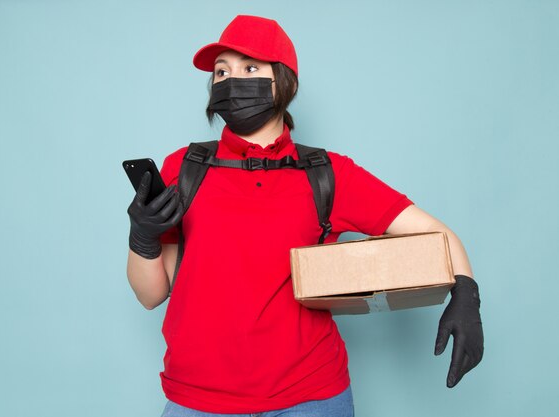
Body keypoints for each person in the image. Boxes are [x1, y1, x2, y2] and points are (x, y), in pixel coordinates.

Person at [126, 15, 484, 417]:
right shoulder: (184, 168)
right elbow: (152, 295)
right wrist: (142, 237)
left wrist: (466, 296)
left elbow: (436, 233)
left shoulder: (328, 173)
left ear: (284, 82)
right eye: (221, 72)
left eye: (250, 69)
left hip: (312, 397)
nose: (231, 81)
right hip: (198, 399)